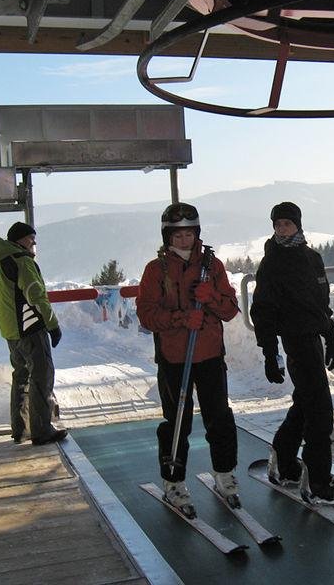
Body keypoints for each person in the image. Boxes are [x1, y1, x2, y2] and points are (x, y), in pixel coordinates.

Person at [136, 203, 241, 517]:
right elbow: (146, 314)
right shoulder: (156, 270)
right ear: (168, 235)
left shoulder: (213, 266)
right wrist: (182, 318)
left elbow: (230, 309)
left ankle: (224, 474)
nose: (185, 240)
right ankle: (174, 481)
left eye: (190, 234)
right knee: (177, 422)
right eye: (178, 235)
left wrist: (211, 298)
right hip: (175, 357)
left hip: (209, 353)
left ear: (197, 234)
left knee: (219, 416)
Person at [250, 201, 334, 505]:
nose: (282, 229)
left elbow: (321, 302)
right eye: (277, 224)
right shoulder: (272, 264)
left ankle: (283, 462)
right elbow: (263, 312)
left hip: (313, 339)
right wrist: (270, 353)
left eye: (287, 223)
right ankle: (318, 483)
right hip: (295, 341)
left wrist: (330, 336)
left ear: (298, 224)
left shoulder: (311, 258)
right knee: (320, 412)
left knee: (307, 402)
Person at [0, 221, 67, 446]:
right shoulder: (22, 262)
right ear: (21, 239)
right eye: (31, 238)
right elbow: (36, 295)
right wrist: (52, 325)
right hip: (30, 328)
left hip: (11, 331)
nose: (34, 242)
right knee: (41, 376)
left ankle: (20, 428)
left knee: (21, 377)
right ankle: (42, 430)